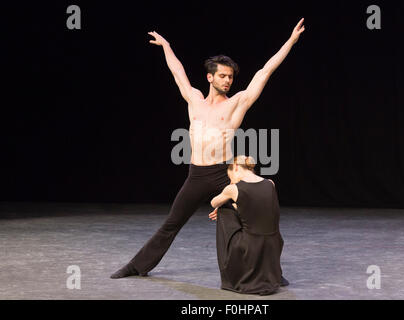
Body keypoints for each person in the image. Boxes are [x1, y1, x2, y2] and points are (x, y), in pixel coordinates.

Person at [110, 19, 306, 279]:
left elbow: (264, 72)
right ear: (210, 77)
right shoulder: (194, 100)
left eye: (231, 77)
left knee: (252, 221)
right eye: (222, 76)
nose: (227, 81)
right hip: (197, 175)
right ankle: (136, 266)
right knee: (172, 223)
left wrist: (290, 41)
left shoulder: (237, 103)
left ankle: (271, 273)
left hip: (224, 173)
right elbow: (177, 72)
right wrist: (166, 46)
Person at [209, 156, 287, 295]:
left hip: (249, 247)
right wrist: (235, 204)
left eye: (231, 176)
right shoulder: (270, 183)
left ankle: (238, 272)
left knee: (223, 208)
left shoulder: (233, 188)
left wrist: (226, 205)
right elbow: (256, 209)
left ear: (236, 167)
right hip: (274, 244)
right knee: (236, 206)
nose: (231, 180)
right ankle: (272, 272)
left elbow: (213, 202)